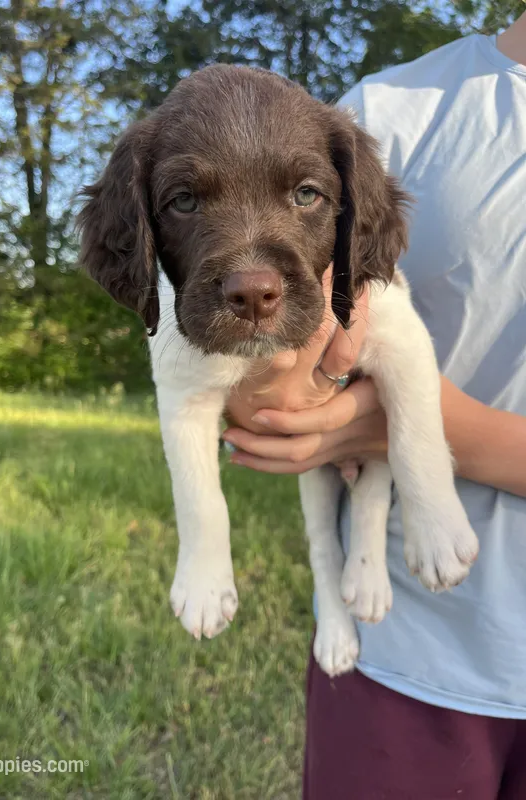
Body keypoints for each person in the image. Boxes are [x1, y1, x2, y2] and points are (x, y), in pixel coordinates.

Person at [224, 12, 526, 799]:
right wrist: (290, 394)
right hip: (401, 646)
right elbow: (278, 378)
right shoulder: (384, 117)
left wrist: (404, 428)